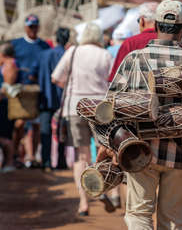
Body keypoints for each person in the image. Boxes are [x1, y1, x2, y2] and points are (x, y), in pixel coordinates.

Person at [98, 0, 182, 230]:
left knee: (139, 215)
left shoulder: (135, 60)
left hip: (138, 151)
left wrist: (108, 144)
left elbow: (110, 106)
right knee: (174, 220)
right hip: (179, 154)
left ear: (156, 25)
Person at [52, 22, 112, 216]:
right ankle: (106, 189)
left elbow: (56, 78)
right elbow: (113, 82)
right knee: (105, 152)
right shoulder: (105, 55)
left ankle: (83, 202)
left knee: (81, 156)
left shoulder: (73, 51)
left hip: (75, 107)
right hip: (100, 109)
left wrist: (71, 89)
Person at [11, 14, 50, 168]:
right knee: (19, 123)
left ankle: (31, 157)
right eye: (30, 26)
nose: (33, 29)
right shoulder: (16, 44)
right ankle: (14, 154)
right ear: (26, 27)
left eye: (35, 26)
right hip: (20, 91)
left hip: (38, 91)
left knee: (36, 126)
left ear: (38, 27)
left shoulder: (44, 46)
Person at [38, 28, 71, 171]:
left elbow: (33, 74)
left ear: (56, 38)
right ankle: (61, 161)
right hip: (64, 100)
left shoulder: (44, 55)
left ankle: (46, 162)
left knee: (45, 130)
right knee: (62, 131)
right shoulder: (69, 55)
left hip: (46, 99)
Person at [108, 2, 158, 82]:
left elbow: (116, 79)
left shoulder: (130, 43)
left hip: (136, 93)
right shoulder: (172, 43)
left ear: (142, 20)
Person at [0, 43, 19, 173]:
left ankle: (9, 163)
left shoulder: (9, 65)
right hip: (5, 104)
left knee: (5, 136)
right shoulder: (9, 64)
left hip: (5, 105)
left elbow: (7, 88)